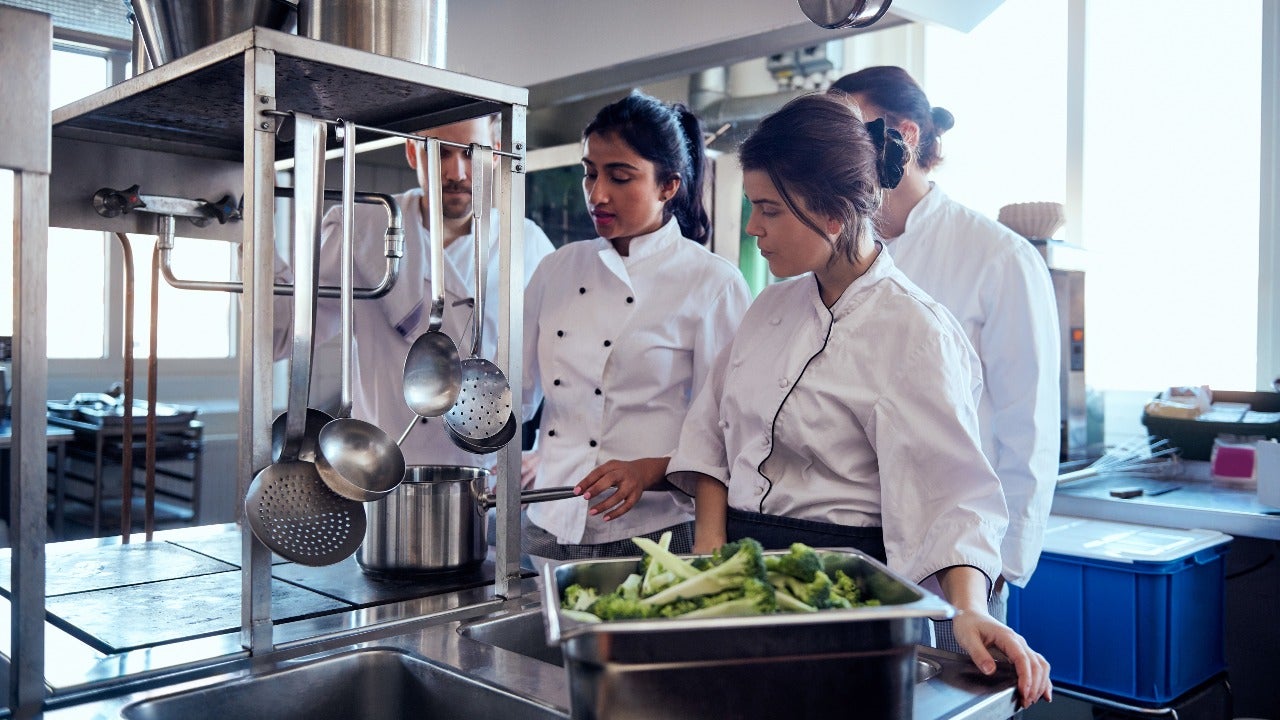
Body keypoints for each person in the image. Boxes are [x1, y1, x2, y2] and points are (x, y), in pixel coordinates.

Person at [666, 93, 1052, 708]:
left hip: (846, 605)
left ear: (832, 212)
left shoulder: (916, 332)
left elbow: (952, 498)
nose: (752, 227)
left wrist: (970, 610)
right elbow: (710, 437)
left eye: (768, 209)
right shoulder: (768, 308)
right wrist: (710, 557)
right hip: (741, 589)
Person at [829, 66, 1061, 634]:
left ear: (905, 137)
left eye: (849, 134)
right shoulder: (837, 255)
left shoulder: (998, 257)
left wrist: (1000, 565)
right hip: (857, 551)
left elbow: (1028, 424)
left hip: (961, 562)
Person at [519, 91, 752, 560]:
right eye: (590, 173)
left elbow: (726, 434)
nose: (597, 194)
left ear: (669, 186)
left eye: (620, 177)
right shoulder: (556, 269)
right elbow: (513, 396)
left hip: (656, 531)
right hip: (548, 519)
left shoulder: (712, 283)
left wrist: (647, 471)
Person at [274, 115, 555, 468]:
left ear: (496, 154)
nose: (456, 173)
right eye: (440, 153)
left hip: (483, 473)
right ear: (412, 152)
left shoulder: (526, 243)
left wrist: (543, 451)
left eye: (471, 153)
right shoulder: (362, 226)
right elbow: (285, 334)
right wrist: (252, 235)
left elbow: (557, 365)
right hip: (381, 469)